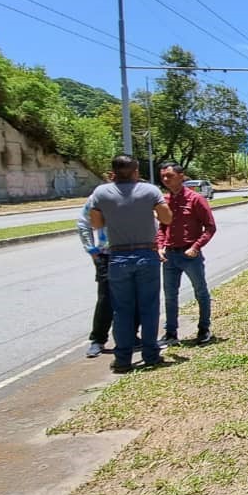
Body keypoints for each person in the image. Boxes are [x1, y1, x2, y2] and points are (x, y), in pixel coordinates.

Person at [89, 155, 172, 373]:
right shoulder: (150, 191)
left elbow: (96, 223)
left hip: (118, 256)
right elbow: (167, 219)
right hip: (147, 254)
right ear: (136, 171)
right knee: (149, 307)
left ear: (113, 172)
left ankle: (123, 359)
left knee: (121, 309)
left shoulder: (101, 193)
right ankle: (151, 354)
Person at [77, 174, 139, 358]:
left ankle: (131, 336)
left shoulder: (138, 194)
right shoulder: (100, 196)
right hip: (107, 255)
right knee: (106, 299)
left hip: (133, 253)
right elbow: (83, 222)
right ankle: (98, 339)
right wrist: (92, 250)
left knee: (135, 297)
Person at [156, 163, 217, 347]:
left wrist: (196, 247)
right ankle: (171, 332)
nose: (166, 179)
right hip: (170, 256)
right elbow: (162, 227)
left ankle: (204, 329)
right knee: (170, 296)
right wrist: (159, 246)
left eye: (169, 175)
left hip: (190, 255)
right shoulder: (165, 201)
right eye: (163, 176)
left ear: (182, 176)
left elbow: (210, 227)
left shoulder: (195, 199)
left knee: (201, 292)